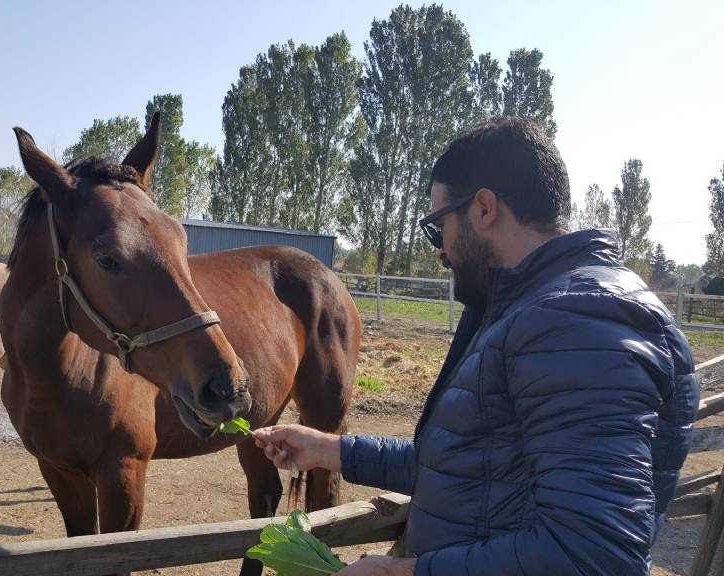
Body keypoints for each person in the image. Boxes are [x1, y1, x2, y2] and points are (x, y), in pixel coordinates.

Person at [253, 117, 699, 575]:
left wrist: (402, 572)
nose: (441, 250)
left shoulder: (577, 321)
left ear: (483, 209)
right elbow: (471, 468)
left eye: (438, 225)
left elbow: (592, 555)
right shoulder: (541, 311)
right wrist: (332, 450)